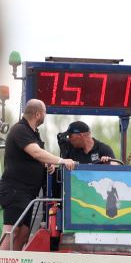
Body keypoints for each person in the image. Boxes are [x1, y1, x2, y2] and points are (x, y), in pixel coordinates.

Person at [0, 99, 76, 250]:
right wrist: (61, 160)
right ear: (37, 114)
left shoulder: (34, 133)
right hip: (15, 190)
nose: (45, 115)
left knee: (23, 234)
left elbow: (34, 156)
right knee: (12, 232)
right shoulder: (20, 130)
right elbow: (35, 152)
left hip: (28, 193)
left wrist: (48, 164)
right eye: (45, 112)